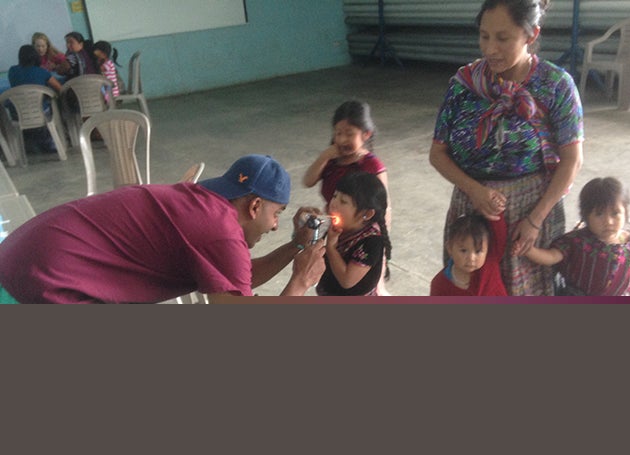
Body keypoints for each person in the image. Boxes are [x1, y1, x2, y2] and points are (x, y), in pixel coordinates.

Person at [0, 154, 326, 303]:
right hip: (40, 280)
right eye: (276, 214)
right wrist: (299, 282)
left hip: (19, 254)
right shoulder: (221, 231)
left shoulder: (203, 204)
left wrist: (295, 246)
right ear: (254, 207)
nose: (275, 226)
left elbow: (234, 279)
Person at [428, 0, 584, 295]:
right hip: (471, 212)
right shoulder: (464, 84)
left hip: (528, 213)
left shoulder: (555, 85)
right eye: (484, 36)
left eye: (502, 38)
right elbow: (437, 154)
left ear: (531, 35)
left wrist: (535, 220)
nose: (490, 49)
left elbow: (572, 161)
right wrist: (474, 190)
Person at [303, 100, 392, 293]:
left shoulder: (372, 166)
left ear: (366, 134)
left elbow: (383, 208)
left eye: (349, 134)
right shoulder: (331, 161)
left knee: (355, 278)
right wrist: (325, 156)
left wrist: (380, 255)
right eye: (338, 133)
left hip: (359, 227)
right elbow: (308, 181)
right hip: (340, 226)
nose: (342, 140)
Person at [520, 177, 630, 296]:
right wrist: (529, 250)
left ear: (626, 212)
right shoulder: (576, 241)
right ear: (586, 216)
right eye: (599, 214)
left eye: (615, 213)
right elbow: (551, 257)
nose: (608, 221)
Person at [316, 171, 391, 296]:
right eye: (335, 196)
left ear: (367, 214)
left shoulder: (372, 242)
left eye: (343, 201)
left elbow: (347, 281)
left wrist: (331, 248)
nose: (333, 204)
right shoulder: (338, 226)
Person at [430, 213, 508, 296]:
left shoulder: (490, 261)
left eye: (478, 251)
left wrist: (493, 209)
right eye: (463, 250)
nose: (471, 258)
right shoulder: (440, 284)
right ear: (449, 248)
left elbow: (498, 226)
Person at [7, 44, 62, 154]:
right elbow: (59, 88)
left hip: (18, 114)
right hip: (41, 112)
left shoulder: (12, 71)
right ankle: (52, 141)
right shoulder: (42, 72)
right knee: (52, 103)